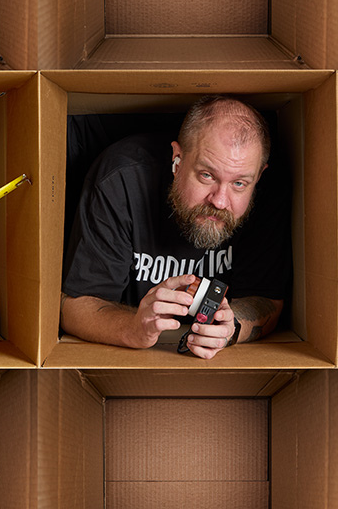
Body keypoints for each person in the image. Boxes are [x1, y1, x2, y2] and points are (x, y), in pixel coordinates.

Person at [61, 96, 288, 359]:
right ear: (177, 159)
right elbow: (74, 307)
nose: (220, 201)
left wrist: (232, 326)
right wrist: (133, 328)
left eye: (239, 184)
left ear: (258, 176)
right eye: (207, 175)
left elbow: (268, 300)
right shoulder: (120, 178)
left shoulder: (269, 192)